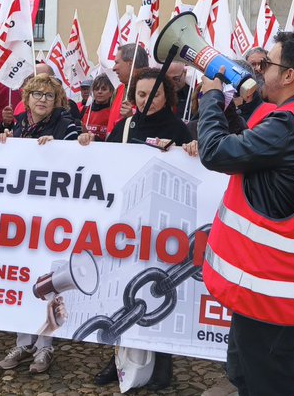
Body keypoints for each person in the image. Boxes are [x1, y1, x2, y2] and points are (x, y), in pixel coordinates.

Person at [196, 31, 294, 396]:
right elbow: (254, 151)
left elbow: (214, 152)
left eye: (269, 65)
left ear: (289, 75)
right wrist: (231, 109)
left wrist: (211, 97)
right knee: (249, 374)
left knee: (267, 384)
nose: (261, 73)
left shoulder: (287, 124)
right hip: (272, 283)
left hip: (265, 286)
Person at [85, 67, 192, 390]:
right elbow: (107, 167)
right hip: (127, 228)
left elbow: (193, 170)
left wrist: (191, 151)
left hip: (163, 229)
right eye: (142, 95)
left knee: (158, 295)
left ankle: (163, 364)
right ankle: (116, 361)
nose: (147, 101)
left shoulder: (180, 129)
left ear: (166, 96)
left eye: (154, 94)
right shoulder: (125, 126)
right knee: (121, 295)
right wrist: (88, 143)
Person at [0, 74, 80, 375]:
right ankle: (22, 342)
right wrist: (5, 143)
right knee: (22, 279)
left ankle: (45, 347)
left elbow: (81, 155)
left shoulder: (65, 124)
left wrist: (59, 148)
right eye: (37, 94)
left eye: (48, 95)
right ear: (26, 98)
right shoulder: (20, 125)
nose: (42, 100)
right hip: (23, 217)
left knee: (48, 283)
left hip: (53, 216)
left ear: (56, 100)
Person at [82, 73, 116, 141]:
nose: (99, 92)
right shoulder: (85, 110)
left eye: (104, 89)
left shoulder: (114, 113)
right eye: (96, 89)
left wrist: (96, 139)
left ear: (111, 92)